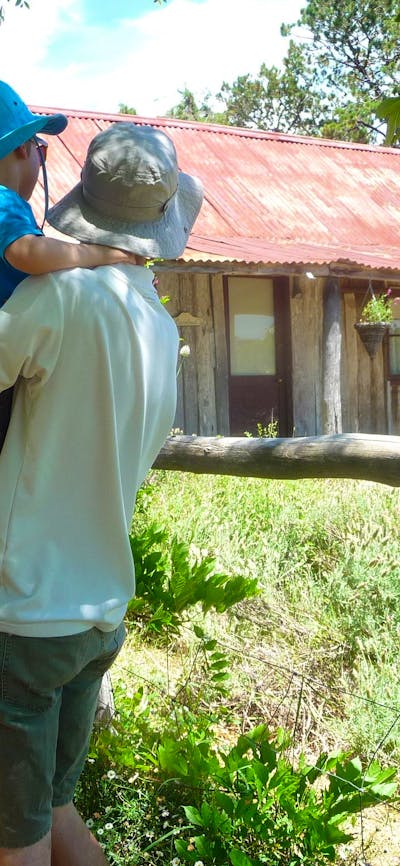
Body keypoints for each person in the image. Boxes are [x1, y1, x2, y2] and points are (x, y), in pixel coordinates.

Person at [0, 120, 203, 866]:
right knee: (54, 810)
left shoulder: (57, 298)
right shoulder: (156, 324)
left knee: (14, 842)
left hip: (24, 615)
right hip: (98, 616)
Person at [0, 81, 139, 449]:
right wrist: (101, 255)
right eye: (40, 150)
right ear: (21, 148)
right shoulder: (5, 202)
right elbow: (29, 254)